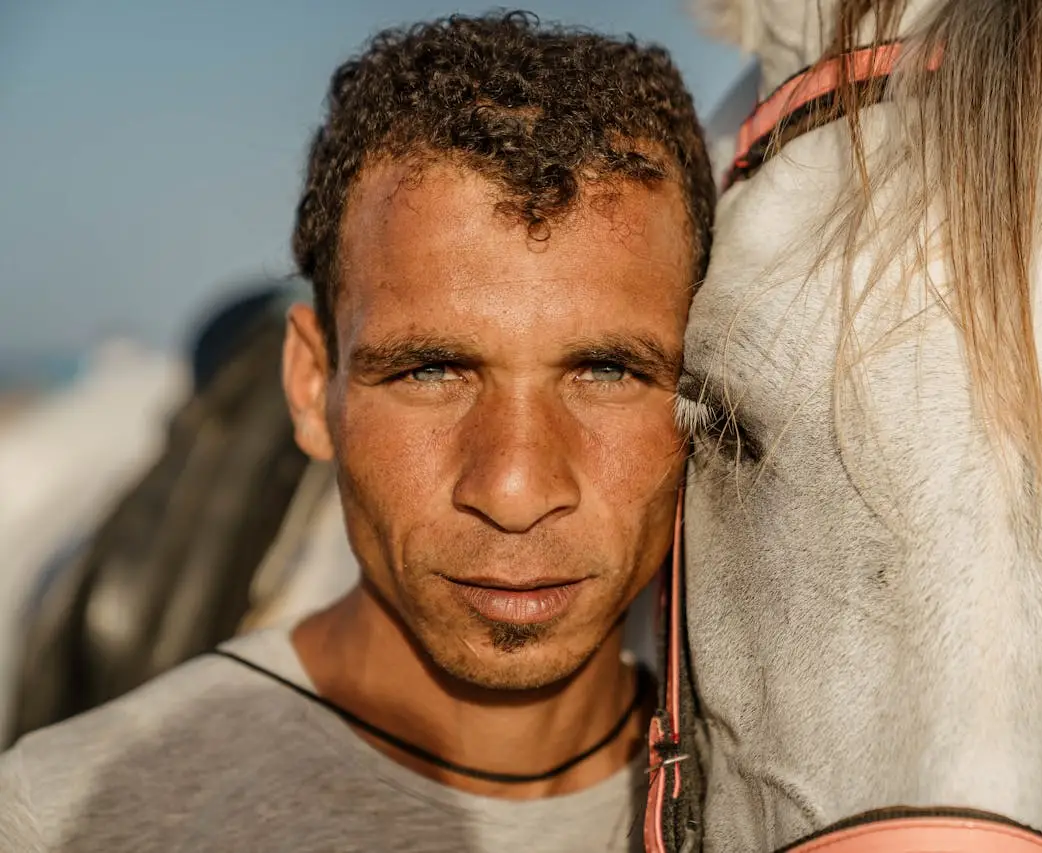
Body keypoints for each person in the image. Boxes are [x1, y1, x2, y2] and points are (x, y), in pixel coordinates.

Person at [0, 12, 714, 852]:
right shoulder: (61, 820)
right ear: (310, 385)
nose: (516, 489)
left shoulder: (803, 818)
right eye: (430, 371)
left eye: (607, 371)